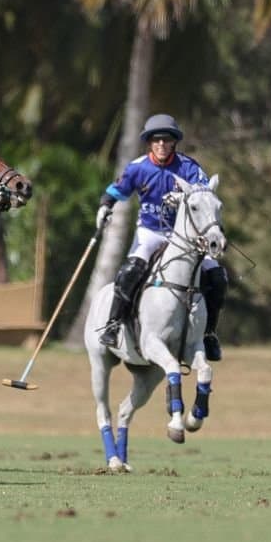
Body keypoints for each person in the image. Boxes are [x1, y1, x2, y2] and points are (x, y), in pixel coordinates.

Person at [95, 113, 228, 360]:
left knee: (218, 276)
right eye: (156, 140)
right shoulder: (138, 167)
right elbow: (116, 190)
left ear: (174, 142)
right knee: (130, 271)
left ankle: (209, 333)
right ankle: (113, 324)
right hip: (151, 232)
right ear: (149, 142)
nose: (161, 144)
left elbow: (204, 194)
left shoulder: (189, 167)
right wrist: (105, 206)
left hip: (186, 237)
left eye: (166, 140)